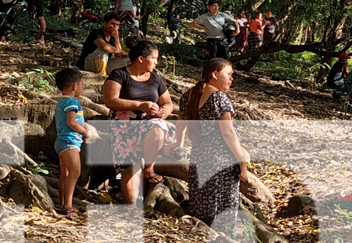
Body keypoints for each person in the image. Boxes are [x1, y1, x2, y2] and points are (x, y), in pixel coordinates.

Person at [102, 40, 174, 204]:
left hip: (150, 122)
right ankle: (133, 206)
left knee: (158, 128)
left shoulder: (155, 78)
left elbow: (168, 103)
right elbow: (110, 100)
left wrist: (165, 111)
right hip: (123, 125)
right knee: (130, 168)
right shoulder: (119, 75)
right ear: (141, 58)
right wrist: (139, 105)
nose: (157, 62)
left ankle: (149, 167)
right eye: (154, 58)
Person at [182, 57, 250, 229]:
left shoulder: (188, 96)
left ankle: (201, 238)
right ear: (214, 74)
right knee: (222, 209)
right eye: (228, 74)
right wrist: (242, 161)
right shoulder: (219, 99)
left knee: (201, 203)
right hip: (222, 160)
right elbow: (228, 132)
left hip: (199, 156)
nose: (231, 78)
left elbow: (181, 122)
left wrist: (177, 143)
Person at [53, 67, 98, 217]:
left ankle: (62, 203)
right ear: (75, 86)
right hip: (69, 142)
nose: (82, 88)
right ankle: (68, 205)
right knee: (75, 172)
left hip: (63, 142)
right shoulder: (72, 102)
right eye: (82, 84)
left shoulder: (61, 102)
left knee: (65, 174)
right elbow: (72, 122)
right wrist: (85, 131)